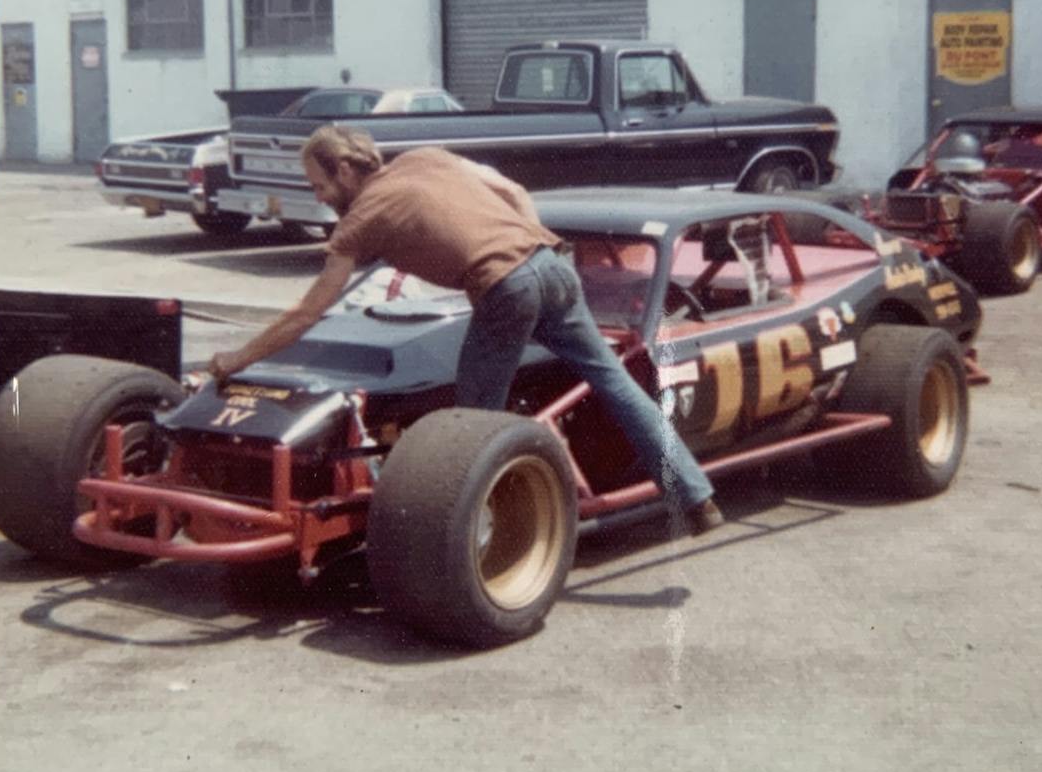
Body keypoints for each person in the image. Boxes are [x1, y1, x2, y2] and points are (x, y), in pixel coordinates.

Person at [208, 126, 723, 534]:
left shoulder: (358, 221)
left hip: (506, 285)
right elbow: (513, 190)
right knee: (615, 383)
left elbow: (307, 313)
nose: (320, 197)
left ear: (344, 169)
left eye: (319, 185)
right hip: (552, 265)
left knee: (470, 429)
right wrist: (526, 246)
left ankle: (479, 533)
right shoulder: (425, 158)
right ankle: (696, 497)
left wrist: (236, 360)